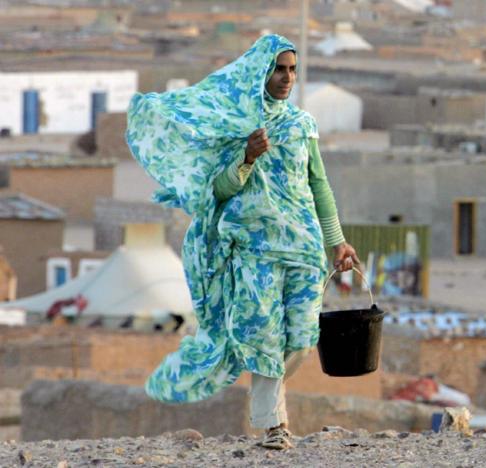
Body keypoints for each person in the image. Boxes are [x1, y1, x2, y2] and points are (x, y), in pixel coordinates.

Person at [126, 35, 359, 450]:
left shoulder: (301, 125)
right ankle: (275, 426)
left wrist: (336, 242)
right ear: (260, 73)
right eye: (278, 69)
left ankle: (268, 398)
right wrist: (247, 158)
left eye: (292, 69)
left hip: (304, 247)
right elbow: (215, 192)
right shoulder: (235, 129)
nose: (287, 77)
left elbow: (319, 185)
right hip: (255, 248)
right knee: (265, 334)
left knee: (303, 338)